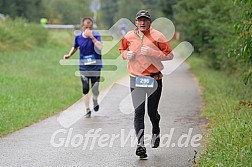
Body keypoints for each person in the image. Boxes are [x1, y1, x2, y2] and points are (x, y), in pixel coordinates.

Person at [119, 10, 173, 158]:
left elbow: (170, 55)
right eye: (140, 20)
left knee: (151, 112)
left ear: (150, 22)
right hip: (136, 79)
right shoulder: (128, 36)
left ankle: (156, 129)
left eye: (145, 20)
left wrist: (152, 52)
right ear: (136, 22)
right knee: (139, 112)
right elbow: (122, 49)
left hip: (154, 79)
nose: (142, 23)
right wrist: (126, 55)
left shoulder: (158, 36)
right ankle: (140, 144)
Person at [64, 17, 103, 118]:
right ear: (82, 27)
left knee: (95, 89)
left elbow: (100, 47)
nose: (88, 29)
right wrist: (69, 54)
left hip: (96, 67)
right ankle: (87, 109)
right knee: (85, 88)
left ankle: (95, 99)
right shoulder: (78, 37)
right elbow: (75, 46)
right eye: (86, 26)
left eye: (90, 27)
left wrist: (92, 38)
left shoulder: (96, 35)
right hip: (84, 67)